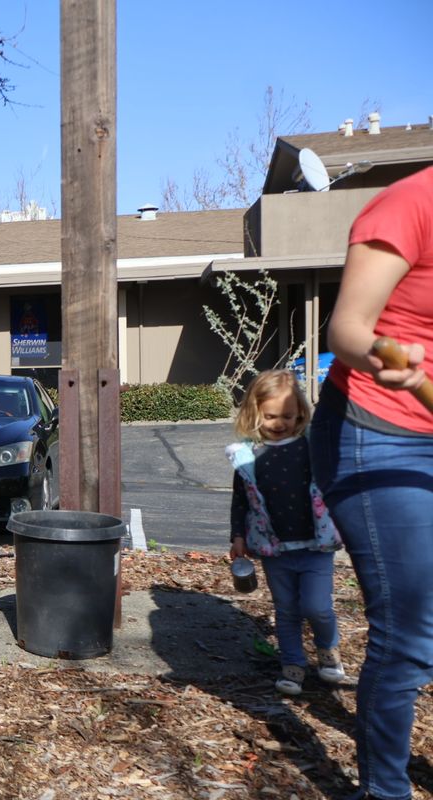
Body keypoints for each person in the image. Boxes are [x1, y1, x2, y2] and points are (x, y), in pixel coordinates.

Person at [308, 165, 433, 800]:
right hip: (379, 427)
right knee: (411, 626)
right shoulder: (410, 203)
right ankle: (386, 791)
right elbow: (348, 328)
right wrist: (387, 355)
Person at [227, 369, 345, 696]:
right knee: (286, 609)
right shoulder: (248, 456)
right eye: (270, 416)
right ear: (254, 412)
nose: (279, 423)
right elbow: (240, 500)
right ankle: (292, 664)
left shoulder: (310, 448)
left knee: (317, 606)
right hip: (274, 549)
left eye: (287, 416)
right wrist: (237, 535)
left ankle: (328, 648)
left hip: (315, 547)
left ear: (300, 414)